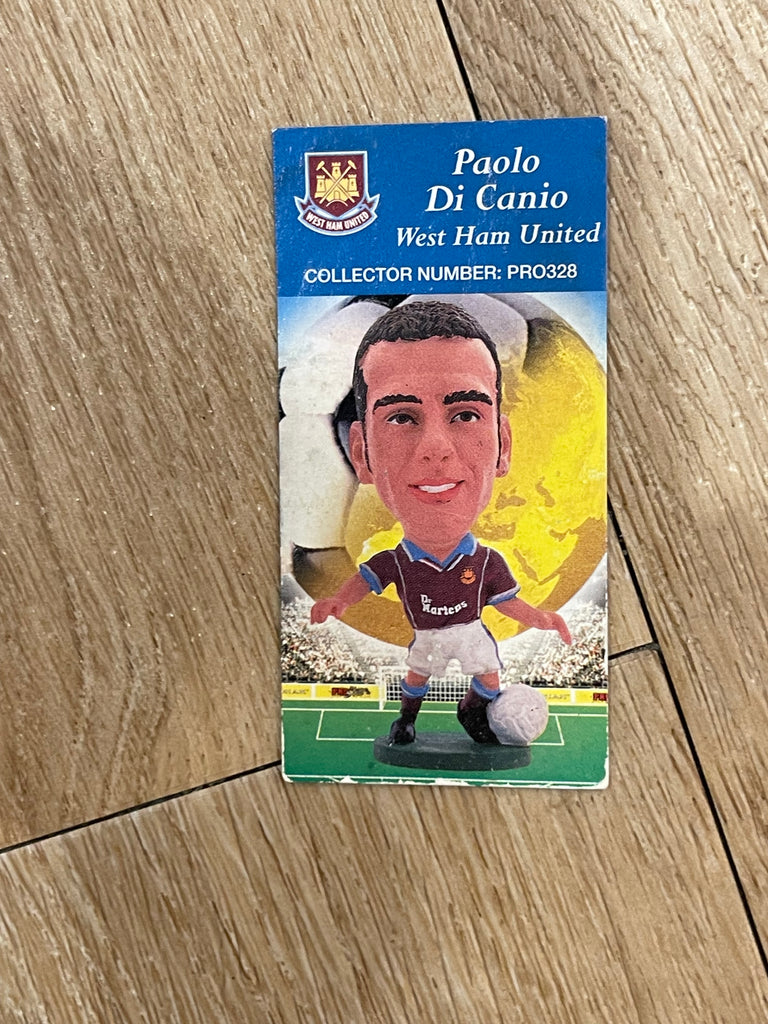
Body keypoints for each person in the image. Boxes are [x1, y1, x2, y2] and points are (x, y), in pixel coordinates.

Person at [310, 300, 571, 744]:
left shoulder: (487, 562)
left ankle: (475, 712)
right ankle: (406, 720)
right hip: (428, 635)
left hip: (469, 631)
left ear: (503, 446)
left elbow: (508, 603)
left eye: (466, 414)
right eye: (401, 417)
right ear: (361, 454)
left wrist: (541, 617)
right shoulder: (396, 560)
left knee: (489, 677)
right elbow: (365, 582)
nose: (436, 448)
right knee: (416, 678)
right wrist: (338, 600)